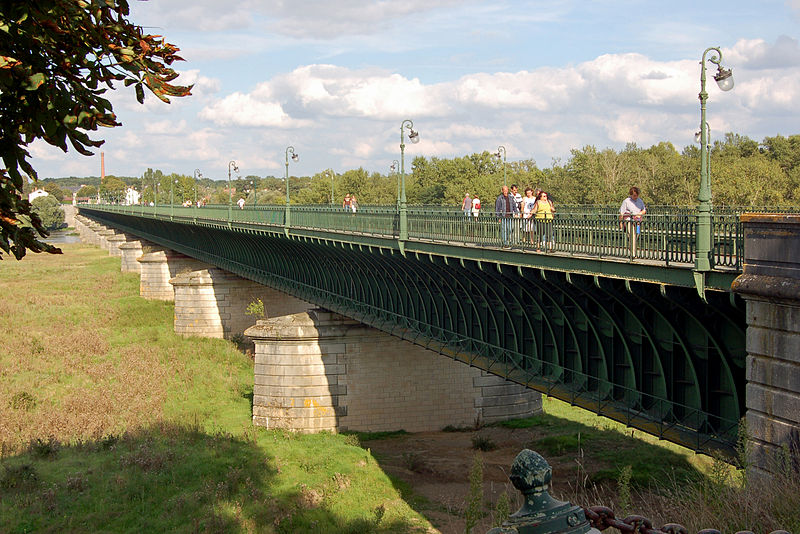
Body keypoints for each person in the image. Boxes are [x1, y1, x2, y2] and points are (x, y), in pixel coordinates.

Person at [619, 186, 646, 257]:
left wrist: (639, 214)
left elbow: (644, 210)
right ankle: (633, 254)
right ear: (631, 194)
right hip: (629, 220)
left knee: (637, 235)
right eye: (634, 195)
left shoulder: (640, 201)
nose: (636, 197)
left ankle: (631, 248)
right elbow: (621, 213)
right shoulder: (626, 201)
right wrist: (621, 223)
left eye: (637, 195)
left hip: (637, 221)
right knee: (632, 235)